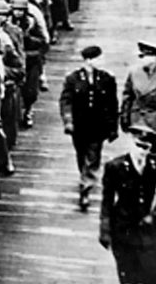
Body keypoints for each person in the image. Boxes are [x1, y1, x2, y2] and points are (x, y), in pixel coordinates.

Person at [59, 45, 118, 211]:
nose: (102, 61)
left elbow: (112, 104)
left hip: (98, 126)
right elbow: (66, 101)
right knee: (81, 154)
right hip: (79, 126)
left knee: (93, 155)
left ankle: (85, 188)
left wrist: (113, 127)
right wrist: (68, 121)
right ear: (89, 61)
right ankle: (85, 176)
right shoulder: (73, 79)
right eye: (99, 58)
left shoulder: (107, 79)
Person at [99, 124, 156, 284]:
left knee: (152, 275)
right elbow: (107, 200)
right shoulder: (115, 167)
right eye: (139, 146)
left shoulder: (155, 166)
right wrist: (105, 229)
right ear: (131, 143)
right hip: (124, 229)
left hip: (150, 231)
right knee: (128, 275)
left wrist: (155, 213)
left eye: (146, 148)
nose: (142, 151)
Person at [121, 41, 156, 136]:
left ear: (155, 58)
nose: (141, 60)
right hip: (138, 122)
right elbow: (128, 96)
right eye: (140, 57)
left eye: (144, 57)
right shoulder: (134, 72)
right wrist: (125, 117)